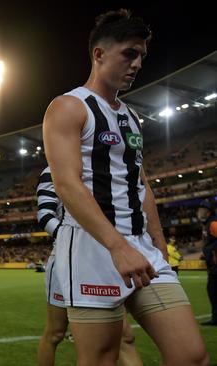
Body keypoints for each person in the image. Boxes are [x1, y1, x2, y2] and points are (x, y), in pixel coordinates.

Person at [43, 9, 208, 365]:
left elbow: (141, 182)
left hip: (141, 247)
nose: (136, 64)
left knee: (191, 355)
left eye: (142, 56)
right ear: (99, 54)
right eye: (129, 53)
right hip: (91, 249)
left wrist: (158, 241)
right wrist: (116, 246)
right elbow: (67, 184)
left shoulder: (131, 116)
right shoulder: (68, 107)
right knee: (101, 358)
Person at [35, 167, 142, 366]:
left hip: (107, 257)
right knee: (55, 333)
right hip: (67, 258)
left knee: (124, 336)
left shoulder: (106, 164)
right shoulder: (52, 170)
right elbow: (44, 214)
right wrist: (72, 240)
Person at [197, 199, 217, 326]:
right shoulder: (208, 223)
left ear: (208, 211)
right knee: (212, 290)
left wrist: (211, 252)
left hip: (216, 264)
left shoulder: (213, 223)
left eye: (202, 209)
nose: (199, 212)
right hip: (212, 264)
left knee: (213, 290)